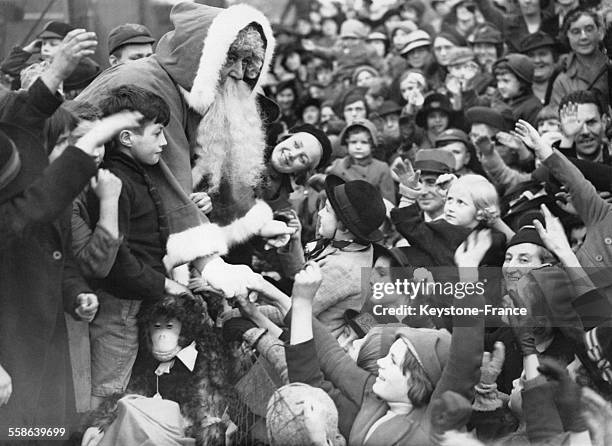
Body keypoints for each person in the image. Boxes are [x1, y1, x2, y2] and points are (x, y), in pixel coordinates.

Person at [78, 2, 289, 297]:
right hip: (90, 236)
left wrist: (253, 221)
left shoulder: (179, 86)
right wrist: (210, 263)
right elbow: (167, 178)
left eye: (247, 61)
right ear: (204, 57)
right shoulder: (151, 86)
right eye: (233, 59)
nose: (241, 73)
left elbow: (219, 160)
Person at [285, 230, 488, 445]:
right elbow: (327, 362)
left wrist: (468, 276)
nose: (380, 361)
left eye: (381, 273)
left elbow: (464, 356)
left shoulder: (436, 421)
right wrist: (298, 304)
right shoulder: (373, 396)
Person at [88, 85, 190, 408]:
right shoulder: (115, 182)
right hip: (118, 306)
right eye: (158, 133)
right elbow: (118, 258)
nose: (163, 142)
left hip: (134, 301)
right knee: (108, 392)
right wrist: (163, 284)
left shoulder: (134, 172)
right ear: (127, 138)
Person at [277, 175, 386, 338]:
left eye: (327, 210)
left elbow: (292, 311)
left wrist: (246, 308)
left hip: (311, 347)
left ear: (345, 227)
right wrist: (294, 240)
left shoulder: (342, 269)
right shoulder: (353, 246)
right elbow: (301, 276)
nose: (320, 213)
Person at [549, 8, 609, 111]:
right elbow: (556, 117)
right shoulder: (562, 81)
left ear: (600, 32)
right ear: (567, 36)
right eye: (576, 32)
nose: (583, 37)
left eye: (589, 29)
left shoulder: (609, 67)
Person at [327, 119, 396, 204]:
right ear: (347, 143)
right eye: (353, 142)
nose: (358, 147)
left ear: (372, 145)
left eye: (364, 142)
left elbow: (389, 201)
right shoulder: (338, 166)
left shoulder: (381, 168)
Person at [492, 54, 542, 126]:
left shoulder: (533, 108)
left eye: (506, 81)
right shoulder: (498, 99)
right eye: (498, 80)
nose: (500, 86)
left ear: (522, 82)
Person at [519, 31, 560, 105]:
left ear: (554, 58)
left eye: (542, 54)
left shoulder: (566, 87)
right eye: (531, 55)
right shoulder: (515, 92)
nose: (537, 60)